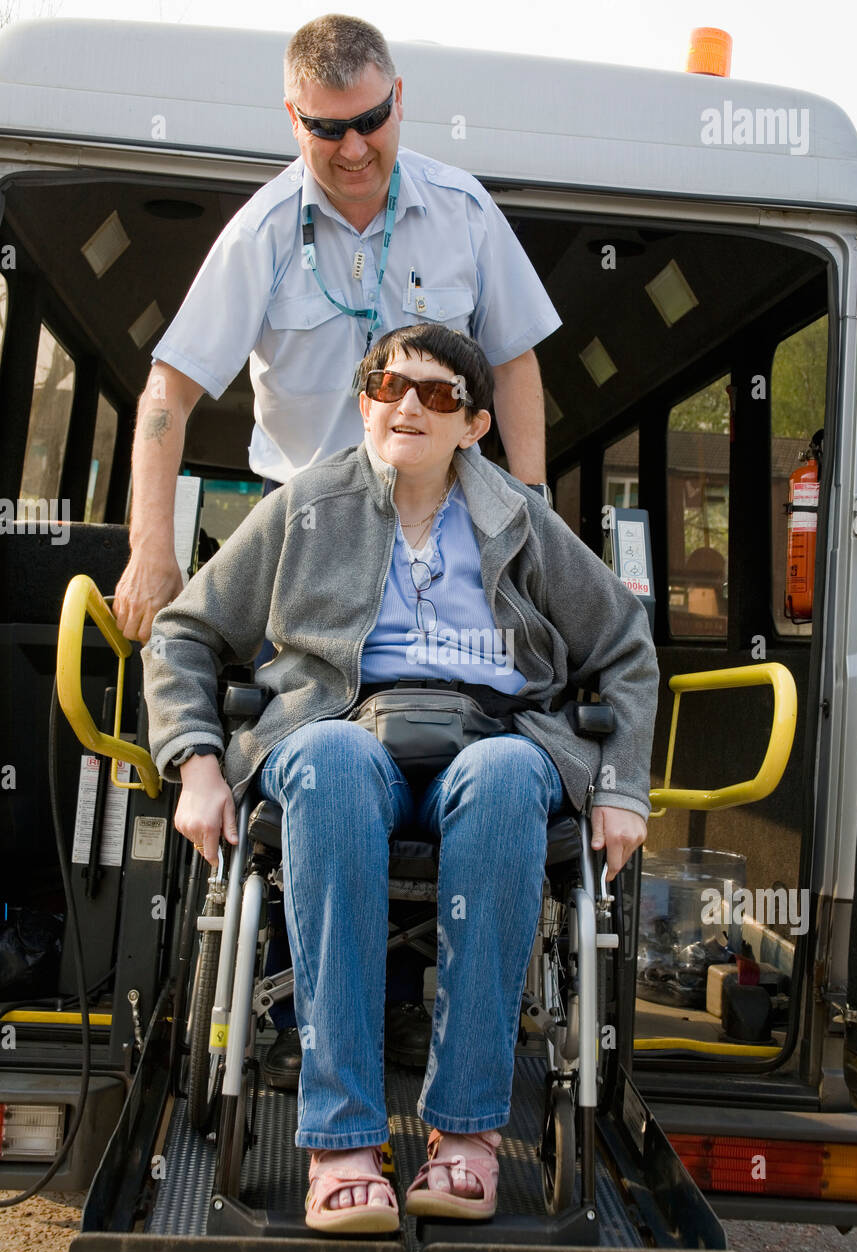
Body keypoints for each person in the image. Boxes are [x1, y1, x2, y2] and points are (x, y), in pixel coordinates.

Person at [114, 13, 561, 1082]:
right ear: (293, 119)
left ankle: (422, 1003)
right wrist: (151, 550)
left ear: (398, 97)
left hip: (444, 529)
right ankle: (300, 1012)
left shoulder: (461, 212)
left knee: (468, 746)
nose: (354, 148)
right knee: (321, 748)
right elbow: (168, 390)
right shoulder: (266, 229)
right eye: (327, 130)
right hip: (304, 543)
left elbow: (519, 368)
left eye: (370, 120)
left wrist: (530, 516)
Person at [142, 324, 658, 1231]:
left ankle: (463, 1138)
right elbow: (183, 632)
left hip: (490, 730)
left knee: (506, 776)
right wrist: (195, 763)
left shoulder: (520, 519)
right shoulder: (306, 506)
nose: (409, 403)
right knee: (333, 763)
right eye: (388, 384)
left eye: (438, 393)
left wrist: (619, 786)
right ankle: (342, 1144)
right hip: (338, 726)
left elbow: (624, 647)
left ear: (475, 425)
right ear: (364, 401)